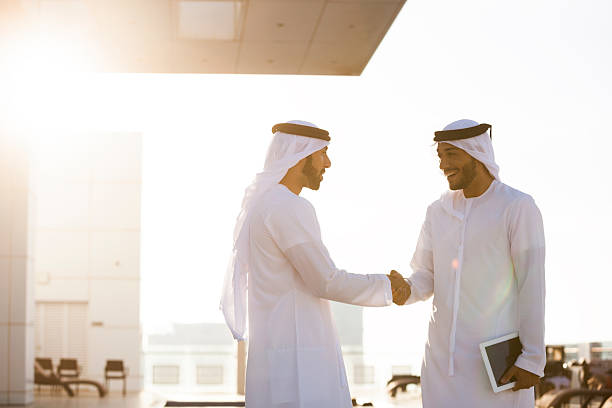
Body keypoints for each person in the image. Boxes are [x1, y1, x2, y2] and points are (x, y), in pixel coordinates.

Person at [220, 120, 410, 408]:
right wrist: (386, 286)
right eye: (322, 153)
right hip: (298, 364)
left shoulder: (267, 204)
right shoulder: (287, 206)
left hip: (280, 356)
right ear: (300, 155)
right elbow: (325, 280)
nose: (328, 163)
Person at [395, 119, 546, 407]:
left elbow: (532, 285)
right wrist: (407, 288)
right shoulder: (437, 212)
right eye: (440, 156)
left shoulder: (517, 207)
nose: (443, 164)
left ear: (476, 153)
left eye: (451, 154)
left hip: (496, 369)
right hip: (441, 367)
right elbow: (426, 275)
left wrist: (533, 359)